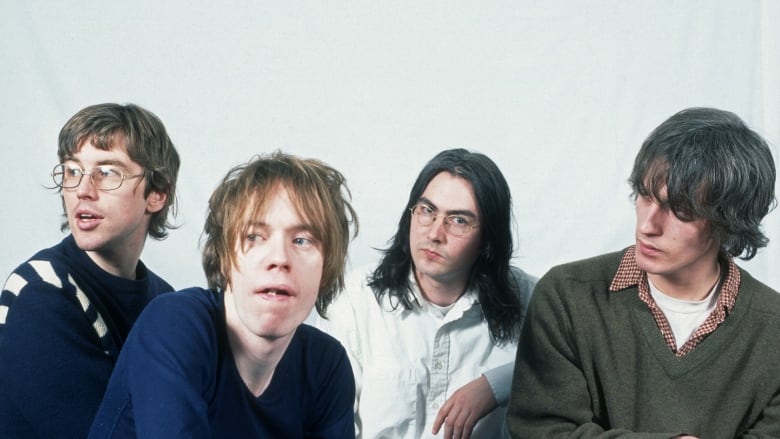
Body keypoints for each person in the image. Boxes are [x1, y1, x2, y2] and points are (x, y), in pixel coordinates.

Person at [506, 107, 780, 438]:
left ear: (728, 222)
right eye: (644, 195)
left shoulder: (773, 329)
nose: (648, 225)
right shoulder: (567, 296)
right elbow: (540, 431)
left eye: (680, 211)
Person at [89, 151, 359, 438]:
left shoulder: (326, 365)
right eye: (254, 237)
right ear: (224, 258)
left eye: (302, 240)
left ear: (327, 265)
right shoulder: (175, 324)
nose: (279, 258)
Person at [313, 148, 537, 439]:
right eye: (427, 211)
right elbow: (331, 425)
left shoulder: (532, 299)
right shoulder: (354, 301)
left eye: (458, 220)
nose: (434, 233)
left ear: (487, 239)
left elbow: (576, 370)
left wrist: (496, 385)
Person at [0, 103, 180, 438]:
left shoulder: (165, 301)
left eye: (107, 172)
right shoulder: (40, 293)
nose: (83, 190)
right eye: (72, 171)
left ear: (156, 193)